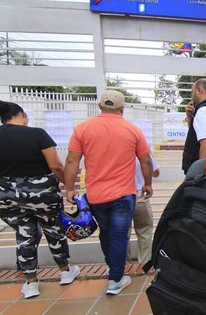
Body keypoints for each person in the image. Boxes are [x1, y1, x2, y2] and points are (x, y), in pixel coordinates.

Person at [0, 100, 80, 299]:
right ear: (23, 115)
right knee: (53, 230)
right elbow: (56, 166)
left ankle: (31, 283)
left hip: (8, 195)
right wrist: (69, 187)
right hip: (42, 193)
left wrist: (7, 182)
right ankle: (65, 271)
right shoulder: (37, 134)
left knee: (24, 234)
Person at [64, 90, 153, 295]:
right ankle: (115, 279)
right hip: (123, 196)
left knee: (106, 233)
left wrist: (70, 188)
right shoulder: (133, 130)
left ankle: (112, 268)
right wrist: (147, 184)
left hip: (96, 196)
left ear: (99, 105)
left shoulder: (83, 129)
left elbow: (71, 161)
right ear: (122, 108)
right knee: (120, 236)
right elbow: (146, 160)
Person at [182, 78, 206, 173]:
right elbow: (198, 136)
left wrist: (202, 177)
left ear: (199, 90)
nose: (192, 97)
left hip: (204, 174)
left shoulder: (204, 111)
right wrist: (190, 117)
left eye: (192, 93)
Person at [128, 154, 160, 264]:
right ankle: (144, 264)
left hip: (122, 198)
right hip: (140, 197)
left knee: (122, 234)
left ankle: (124, 265)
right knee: (144, 231)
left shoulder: (116, 151)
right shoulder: (142, 151)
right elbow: (156, 173)